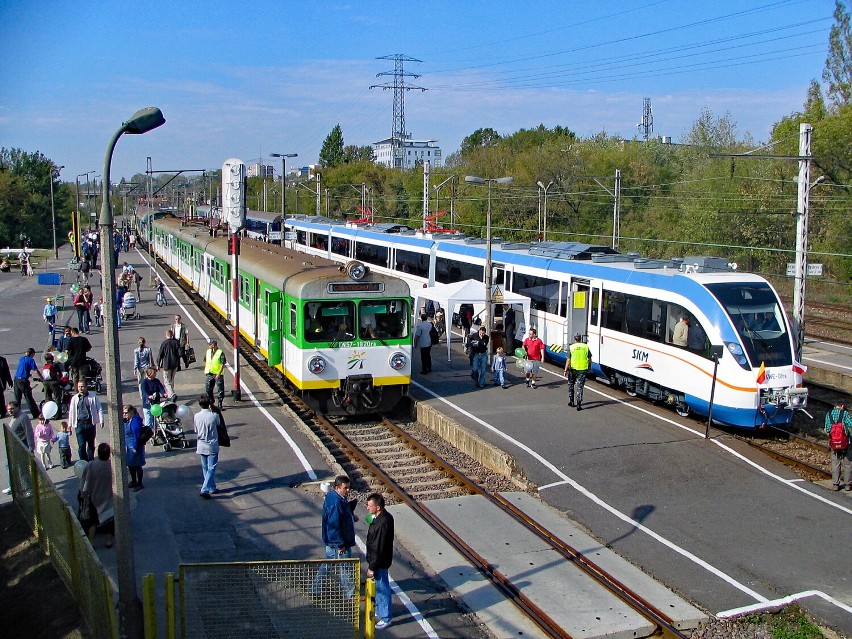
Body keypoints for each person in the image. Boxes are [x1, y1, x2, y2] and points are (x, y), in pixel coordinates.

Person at [317, 475, 357, 599]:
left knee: (328, 564)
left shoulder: (334, 497)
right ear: (337, 488)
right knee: (345, 567)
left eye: (349, 487)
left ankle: (316, 588)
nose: (348, 490)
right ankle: (350, 594)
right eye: (345, 488)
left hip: (331, 541)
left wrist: (350, 516)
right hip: (339, 542)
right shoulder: (336, 502)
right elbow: (334, 525)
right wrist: (340, 545)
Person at [366, 492, 395, 630]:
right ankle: (382, 611)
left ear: (378, 507)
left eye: (370, 506)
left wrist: (372, 566)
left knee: (382, 589)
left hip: (379, 562)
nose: (367, 508)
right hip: (382, 560)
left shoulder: (381, 523)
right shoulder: (385, 518)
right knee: (379, 588)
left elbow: (378, 546)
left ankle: (386, 617)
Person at [80, 443, 115, 548]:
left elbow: (85, 481)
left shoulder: (91, 465)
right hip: (109, 497)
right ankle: (109, 541)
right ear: (109, 454)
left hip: (94, 497)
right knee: (109, 520)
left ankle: (91, 542)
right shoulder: (112, 465)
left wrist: (83, 494)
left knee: (93, 521)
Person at [3, 401, 35, 494]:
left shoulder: (23, 417)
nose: (10, 411)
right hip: (13, 448)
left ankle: (29, 489)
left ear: (18, 407)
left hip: (22, 447)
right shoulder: (14, 417)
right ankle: (12, 487)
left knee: (23, 469)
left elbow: (29, 433)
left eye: (12, 408)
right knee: (9, 466)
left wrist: (31, 449)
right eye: (9, 409)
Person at [68, 379, 103, 462]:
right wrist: (69, 425)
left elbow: (99, 408)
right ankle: (83, 462)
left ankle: (90, 461)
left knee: (91, 444)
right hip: (79, 425)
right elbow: (71, 411)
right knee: (81, 445)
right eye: (79, 387)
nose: (81, 388)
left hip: (90, 424)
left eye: (82, 386)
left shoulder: (93, 396)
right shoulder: (74, 398)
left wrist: (101, 420)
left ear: (86, 387)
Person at [194, 395, 221, 498]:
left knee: (205, 467)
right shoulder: (214, 416)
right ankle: (205, 488)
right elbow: (218, 424)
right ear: (209, 404)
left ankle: (211, 487)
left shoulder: (196, 416)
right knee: (212, 468)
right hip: (212, 444)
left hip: (201, 444)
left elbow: (196, 430)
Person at [825, 402, 852, 491]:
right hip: (846, 443)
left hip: (834, 443)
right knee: (848, 463)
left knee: (835, 463)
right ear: (843, 406)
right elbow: (851, 424)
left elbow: (827, 429)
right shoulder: (845, 413)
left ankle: (835, 484)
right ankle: (848, 485)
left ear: (835, 406)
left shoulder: (829, 414)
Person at [564, 334, 592, 411]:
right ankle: (579, 404)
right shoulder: (585, 347)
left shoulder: (572, 347)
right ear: (580, 339)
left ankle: (571, 401)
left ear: (575, 339)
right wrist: (589, 367)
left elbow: (568, 360)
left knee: (571, 384)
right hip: (582, 369)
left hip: (573, 369)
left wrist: (565, 369)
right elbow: (589, 358)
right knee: (580, 387)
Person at [13, 348, 42, 418]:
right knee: (28, 397)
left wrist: (28, 374)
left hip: (16, 379)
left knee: (17, 398)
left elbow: (22, 368)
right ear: (32, 354)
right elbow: (36, 370)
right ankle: (36, 413)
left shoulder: (22, 359)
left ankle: (16, 413)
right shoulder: (31, 360)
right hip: (23, 381)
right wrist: (42, 378)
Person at [123, 405, 146, 491]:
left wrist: (135, 447)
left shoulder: (135, 421)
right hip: (129, 447)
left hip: (135, 447)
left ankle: (139, 483)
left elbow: (136, 435)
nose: (124, 415)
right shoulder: (129, 420)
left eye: (126, 413)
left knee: (137, 466)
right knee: (131, 465)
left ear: (131, 412)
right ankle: (133, 481)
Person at [157, 329, 182, 399]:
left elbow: (160, 355)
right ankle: (170, 393)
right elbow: (180, 353)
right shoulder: (176, 342)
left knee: (167, 381)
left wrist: (158, 364)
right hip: (175, 364)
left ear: (166, 335)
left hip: (167, 364)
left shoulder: (164, 343)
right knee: (171, 379)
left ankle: (171, 394)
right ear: (172, 335)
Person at [204, 338, 226, 410]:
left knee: (220, 389)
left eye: (210, 344)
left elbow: (223, 363)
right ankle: (211, 401)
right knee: (208, 389)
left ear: (213, 345)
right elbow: (205, 360)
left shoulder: (220, 352)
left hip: (218, 374)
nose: (209, 346)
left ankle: (220, 403)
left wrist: (219, 373)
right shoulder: (208, 351)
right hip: (210, 373)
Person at [133, 337, 154, 403]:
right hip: (147, 368)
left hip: (140, 368)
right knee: (147, 381)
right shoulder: (148, 349)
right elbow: (151, 359)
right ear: (145, 342)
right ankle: (148, 394)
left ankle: (142, 395)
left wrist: (135, 369)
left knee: (140, 382)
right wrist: (152, 366)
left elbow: (136, 360)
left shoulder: (136, 350)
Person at [0, 354, 13, 419]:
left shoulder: (2, 360)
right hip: (1, 382)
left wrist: (9, 380)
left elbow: (6, 372)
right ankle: (2, 412)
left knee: (1, 398)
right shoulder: (2, 360)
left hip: (1, 383)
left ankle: (2, 412)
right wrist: (9, 380)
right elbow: (6, 372)